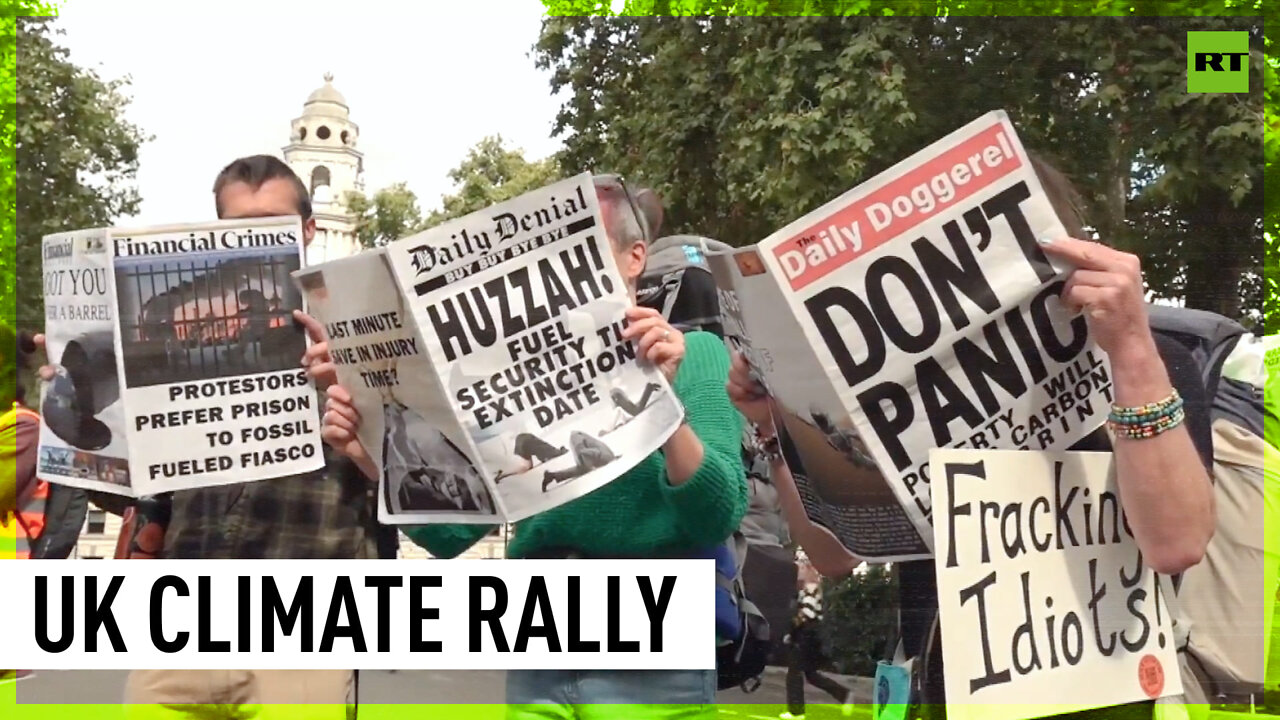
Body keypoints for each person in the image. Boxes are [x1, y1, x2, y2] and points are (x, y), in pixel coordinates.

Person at [727, 155, 1216, 720]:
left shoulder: (1152, 363)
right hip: (938, 692)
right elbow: (833, 555)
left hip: (1105, 698)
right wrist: (776, 426)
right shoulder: (904, 404)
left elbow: (1176, 542)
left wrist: (1131, 351)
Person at [314, 174, 749, 718]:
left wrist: (661, 400)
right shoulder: (502, 378)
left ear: (633, 257)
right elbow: (449, 532)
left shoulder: (698, 353)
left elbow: (717, 513)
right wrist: (369, 451)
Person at [37, 155, 381, 719]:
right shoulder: (174, 330)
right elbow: (133, 496)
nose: (255, 239)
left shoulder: (364, 335)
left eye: (274, 224)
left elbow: (419, 488)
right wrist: (77, 428)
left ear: (309, 230)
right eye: (239, 226)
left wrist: (355, 401)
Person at [781, 556, 853, 720]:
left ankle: (797, 712)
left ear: (808, 570)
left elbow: (806, 614)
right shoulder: (808, 588)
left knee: (794, 674)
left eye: (801, 568)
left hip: (804, 636)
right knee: (811, 675)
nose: (798, 570)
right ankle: (844, 695)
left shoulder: (811, 588)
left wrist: (791, 632)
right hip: (808, 636)